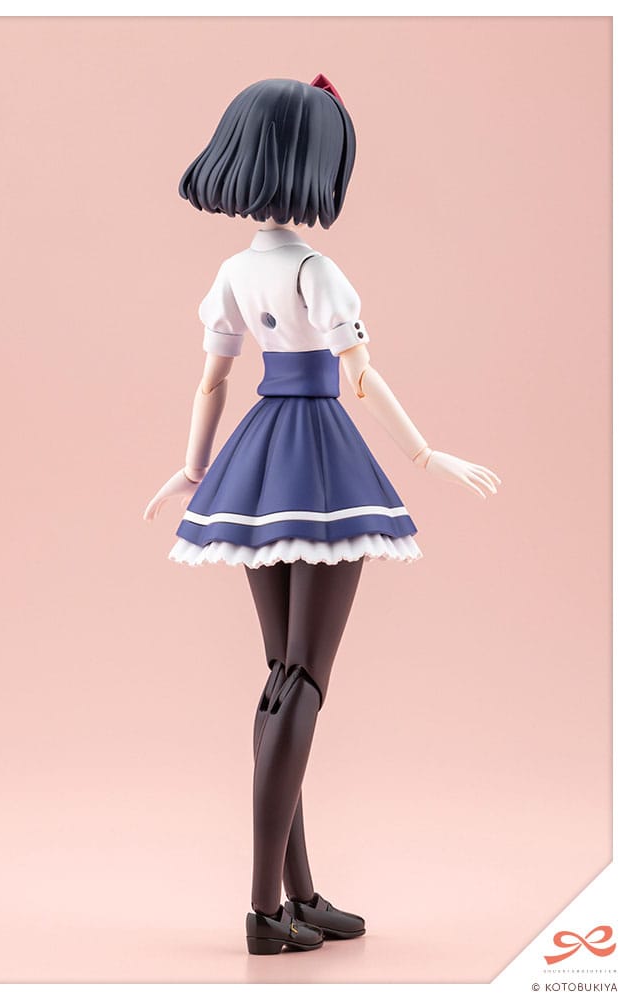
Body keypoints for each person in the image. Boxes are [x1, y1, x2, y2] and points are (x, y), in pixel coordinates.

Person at [143, 75, 501, 956]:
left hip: (259, 454)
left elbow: (212, 380)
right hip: (319, 454)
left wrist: (193, 469)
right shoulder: (315, 270)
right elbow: (361, 377)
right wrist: (426, 454)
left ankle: (295, 896)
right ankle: (264, 908)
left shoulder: (234, 271)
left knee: (280, 676)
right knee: (303, 679)